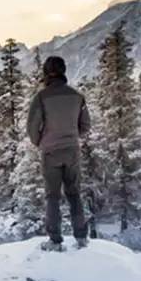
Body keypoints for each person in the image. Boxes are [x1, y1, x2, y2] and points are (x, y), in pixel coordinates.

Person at [26, 55, 91, 251]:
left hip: (50, 152)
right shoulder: (77, 96)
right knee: (74, 193)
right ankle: (81, 238)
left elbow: (32, 127)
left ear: (46, 73)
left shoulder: (41, 97)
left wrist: (41, 142)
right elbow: (86, 125)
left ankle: (55, 240)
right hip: (72, 151)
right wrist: (71, 137)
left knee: (52, 196)